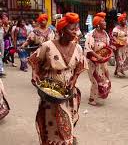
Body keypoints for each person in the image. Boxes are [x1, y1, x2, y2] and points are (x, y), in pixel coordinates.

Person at [28, 12, 87, 145]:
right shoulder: (48, 46)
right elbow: (35, 60)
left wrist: (74, 79)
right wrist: (35, 73)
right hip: (51, 90)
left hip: (68, 90)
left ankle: (66, 139)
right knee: (51, 120)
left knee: (68, 118)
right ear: (61, 30)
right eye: (72, 29)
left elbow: (80, 65)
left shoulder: (77, 48)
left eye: (76, 29)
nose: (75, 32)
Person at [85, 12, 112, 106]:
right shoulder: (91, 35)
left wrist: (110, 50)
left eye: (105, 21)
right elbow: (88, 49)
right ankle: (91, 99)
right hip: (93, 62)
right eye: (103, 21)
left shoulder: (105, 34)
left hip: (102, 62)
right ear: (97, 24)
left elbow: (107, 46)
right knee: (95, 80)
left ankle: (99, 93)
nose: (105, 23)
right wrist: (97, 57)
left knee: (103, 79)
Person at [112, 13, 128, 77]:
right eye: (123, 20)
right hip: (119, 45)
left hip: (126, 45)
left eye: (125, 20)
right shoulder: (116, 29)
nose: (124, 21)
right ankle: (118, 71)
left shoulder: (126, 28)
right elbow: (114, 37)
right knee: (119, 58)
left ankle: (120, 70)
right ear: (120, 21)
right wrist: (118, 42)